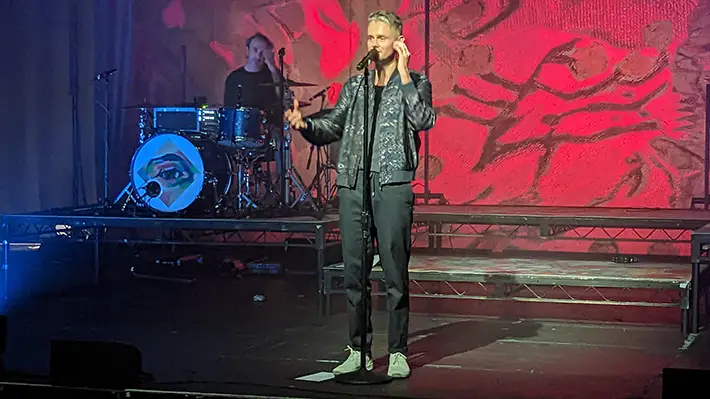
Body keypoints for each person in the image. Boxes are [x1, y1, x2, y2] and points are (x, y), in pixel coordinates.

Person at [285, 10, 435, 378]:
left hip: (392, 185)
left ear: (398, 40)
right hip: (354, 185)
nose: (374, 44)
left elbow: (423, 119)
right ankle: (359, 348)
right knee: (355, 272)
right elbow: (333, 126)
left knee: (395, 273)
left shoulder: (415, 81)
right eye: (370, 37)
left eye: (381, 38)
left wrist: (402, 73)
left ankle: (397, 350)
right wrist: (306, 125)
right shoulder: (356, 86)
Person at [223, 33, 287, 198]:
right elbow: (230, 110)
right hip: (240, 132)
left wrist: (272, 66)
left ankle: (281, 193)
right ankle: (227, 192)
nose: (258, 55)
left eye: (263, 51)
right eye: (255, 49)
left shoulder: (271, 76)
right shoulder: (234, 78)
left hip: (268, 131)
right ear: (248, 51)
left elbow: (282, 97)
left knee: (281, 142)